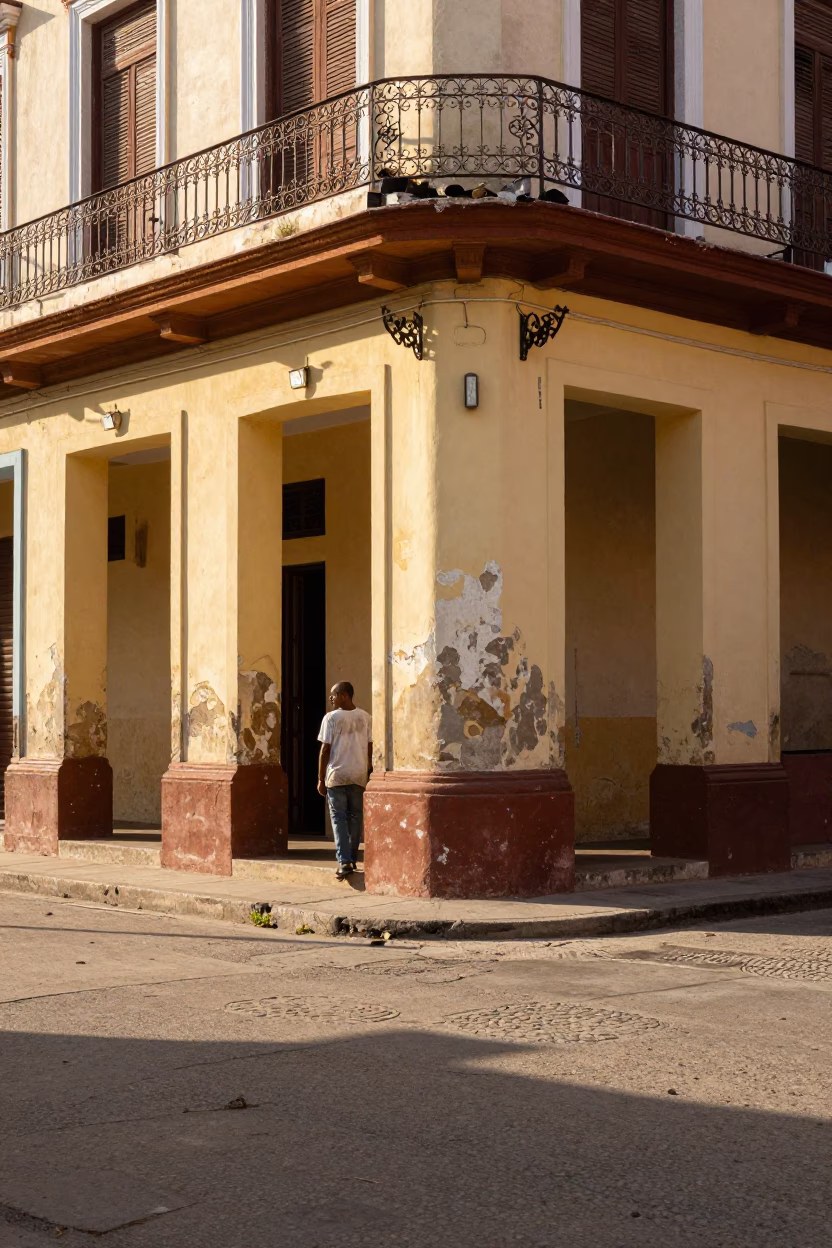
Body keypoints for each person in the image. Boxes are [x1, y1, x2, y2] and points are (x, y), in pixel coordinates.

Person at [317, 681, 373, 879]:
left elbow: (325, 749)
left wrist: (320, 778)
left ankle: (344, 860)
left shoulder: (331, 718)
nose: (331, 698)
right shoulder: (365, 717)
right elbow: (369, 746)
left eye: (335, 694)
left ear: (345, 695)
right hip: (358, 774)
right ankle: (352, 858)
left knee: (338, 818)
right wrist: (368, 770)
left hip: (337, 775)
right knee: (355, 817)